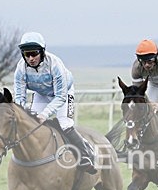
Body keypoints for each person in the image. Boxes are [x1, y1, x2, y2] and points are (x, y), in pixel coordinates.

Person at [13, 31, 97, 174]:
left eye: (34, 53)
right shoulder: (20, 69)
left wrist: (45, 114)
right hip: (41, 94)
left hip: (63, 93)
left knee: (64, 124)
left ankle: (85, 153)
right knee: (32, 125)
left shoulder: (55, 64)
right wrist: (25, 115)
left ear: (42, 52)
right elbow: (19, 99)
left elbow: (60, 96)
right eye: (27, 54)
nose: (31, 58)